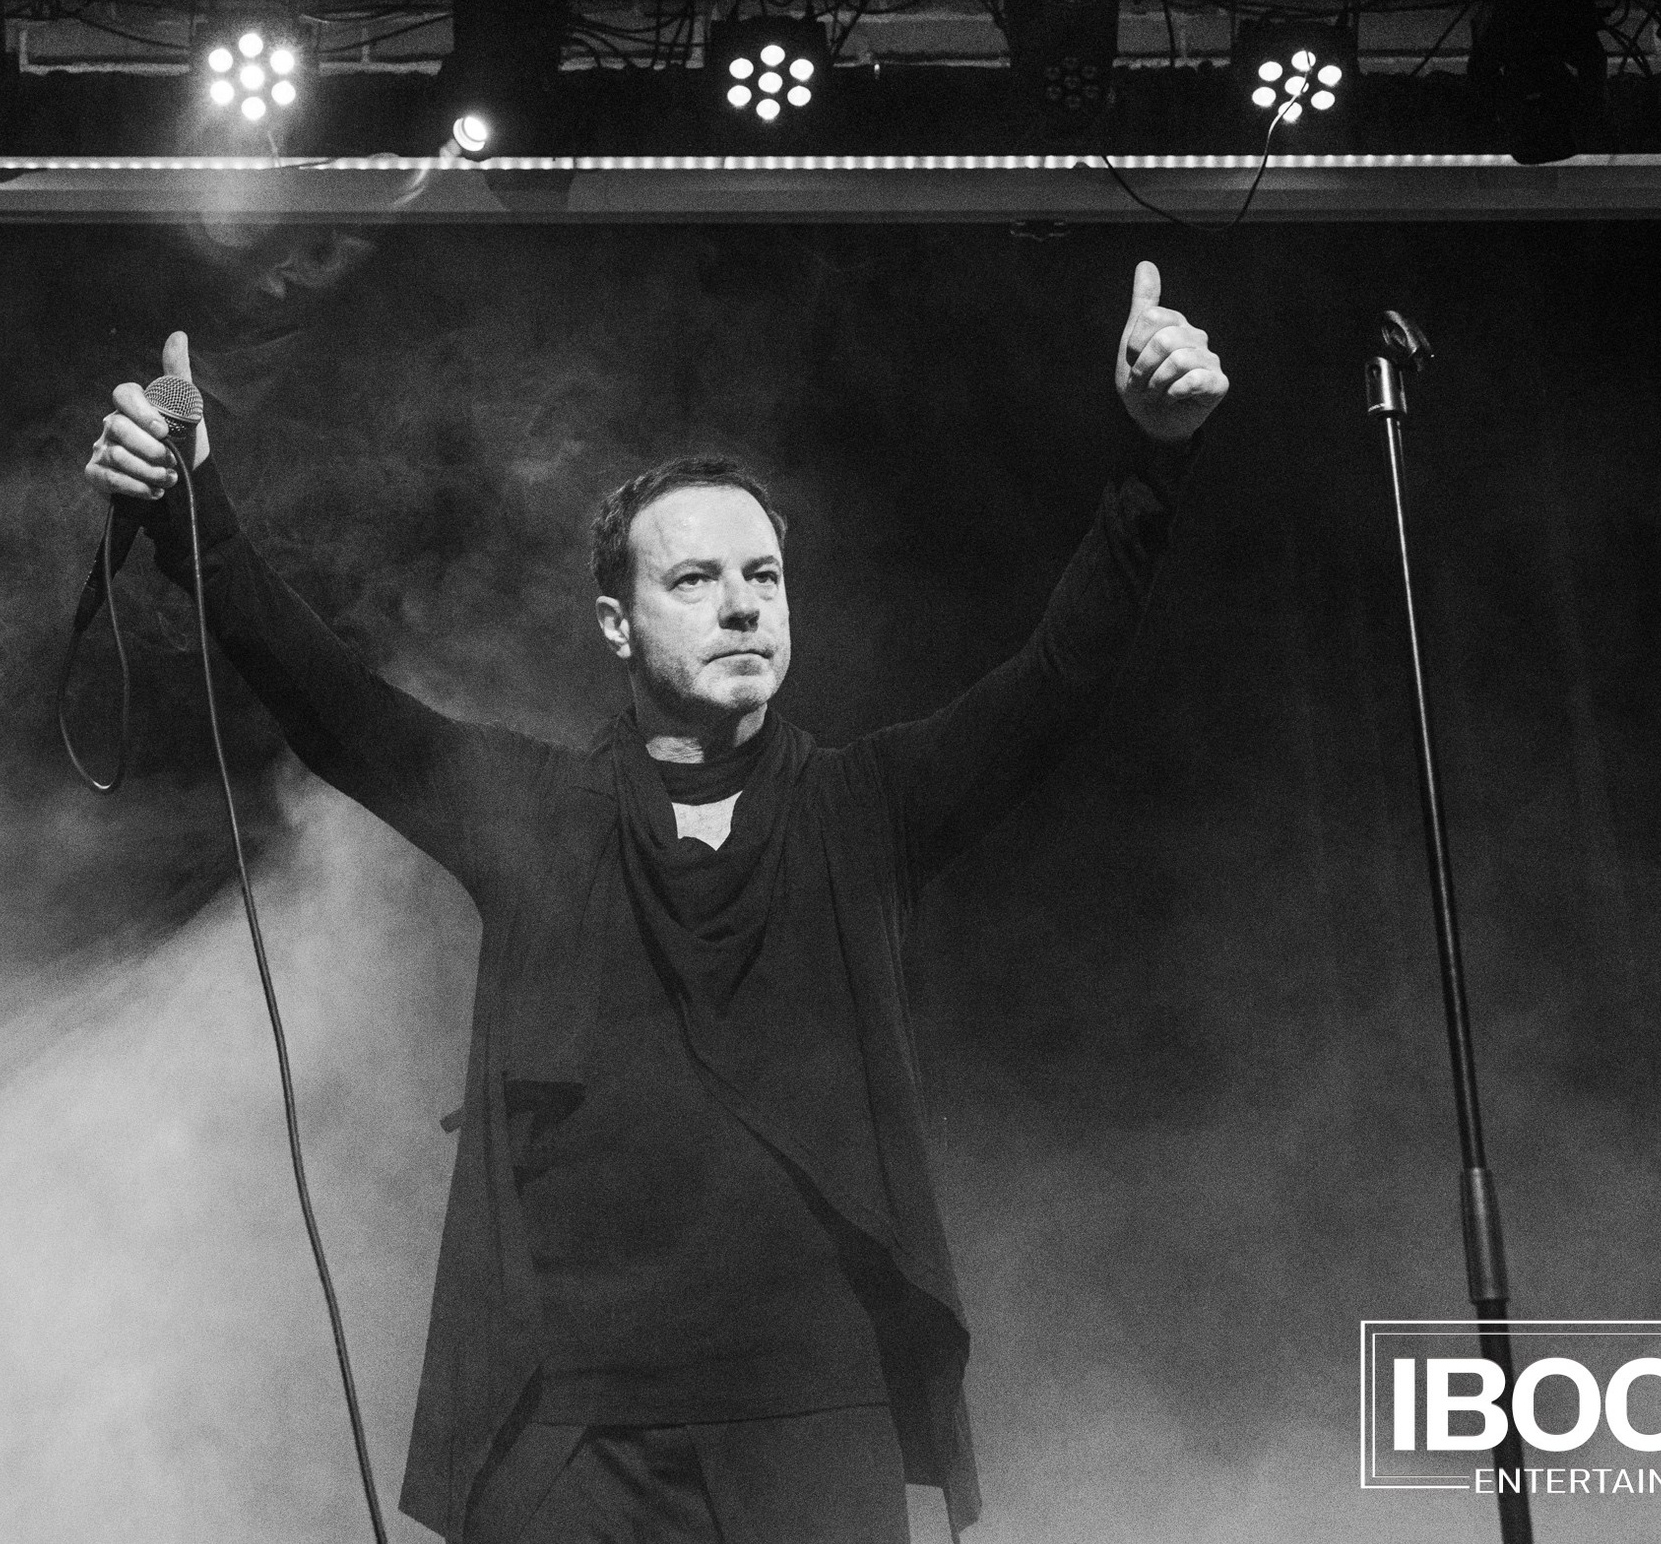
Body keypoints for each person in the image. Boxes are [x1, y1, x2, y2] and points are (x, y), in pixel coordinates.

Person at [81, 262, 1227, 1543]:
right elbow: (338, 707)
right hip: (569, 1427)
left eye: (764, 576)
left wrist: (1152, 461)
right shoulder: (536, 815)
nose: (742, 603)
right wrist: (197, 520)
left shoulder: (861, 809)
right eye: (694, 580)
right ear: (616, 623)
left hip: (812, 1412)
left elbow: (1058, 678)